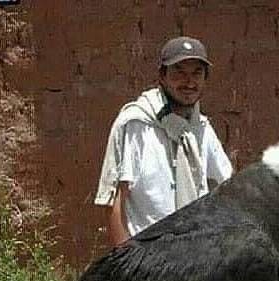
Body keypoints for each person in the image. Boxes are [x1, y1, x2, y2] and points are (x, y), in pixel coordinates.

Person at [94, 36, 233, 246]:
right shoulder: (136, 124)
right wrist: (127, 258)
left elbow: (228, 183)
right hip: (149, 255)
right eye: (179, 72)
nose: (189, 82)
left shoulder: (200, 127)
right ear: (162, 76)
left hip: (193, 252)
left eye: (197, 73)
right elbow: (114, 200)